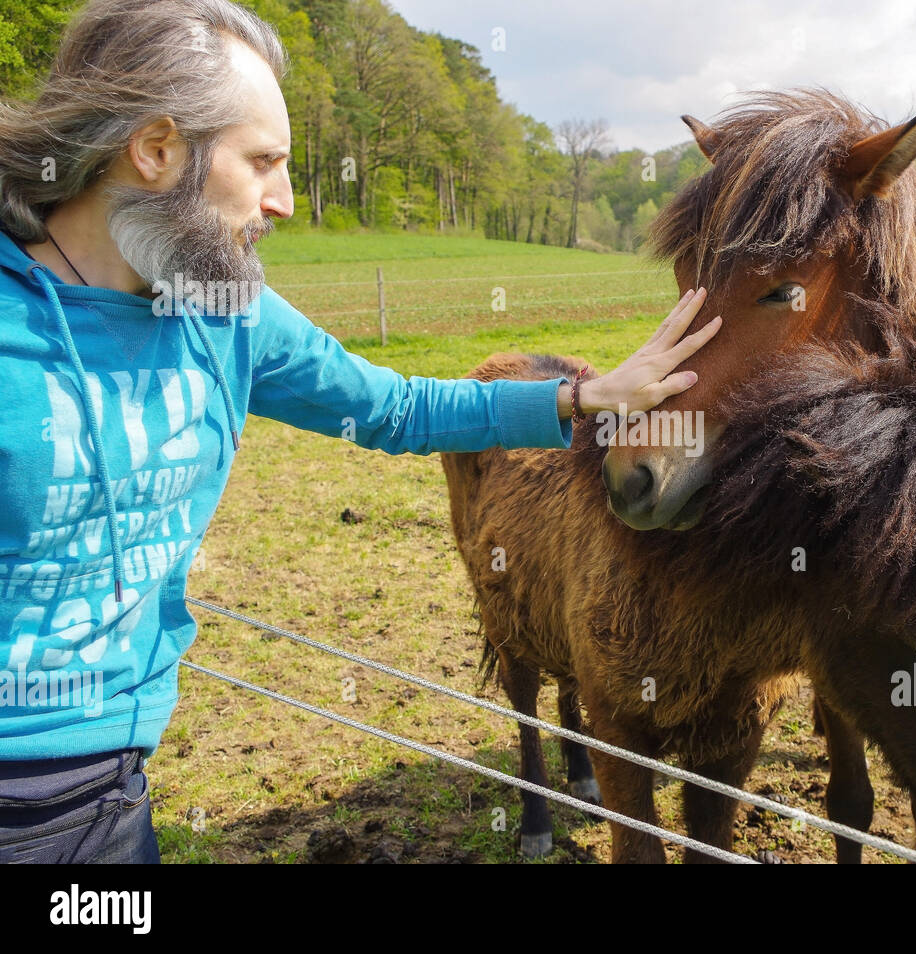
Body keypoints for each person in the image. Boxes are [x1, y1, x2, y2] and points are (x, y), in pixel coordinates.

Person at [0, 0, 722, 863]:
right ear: (156, 152)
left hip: (110, 792)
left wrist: (584, 399)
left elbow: (395, 408)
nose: (288, 201)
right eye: (262, 161)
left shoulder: (226, 313)